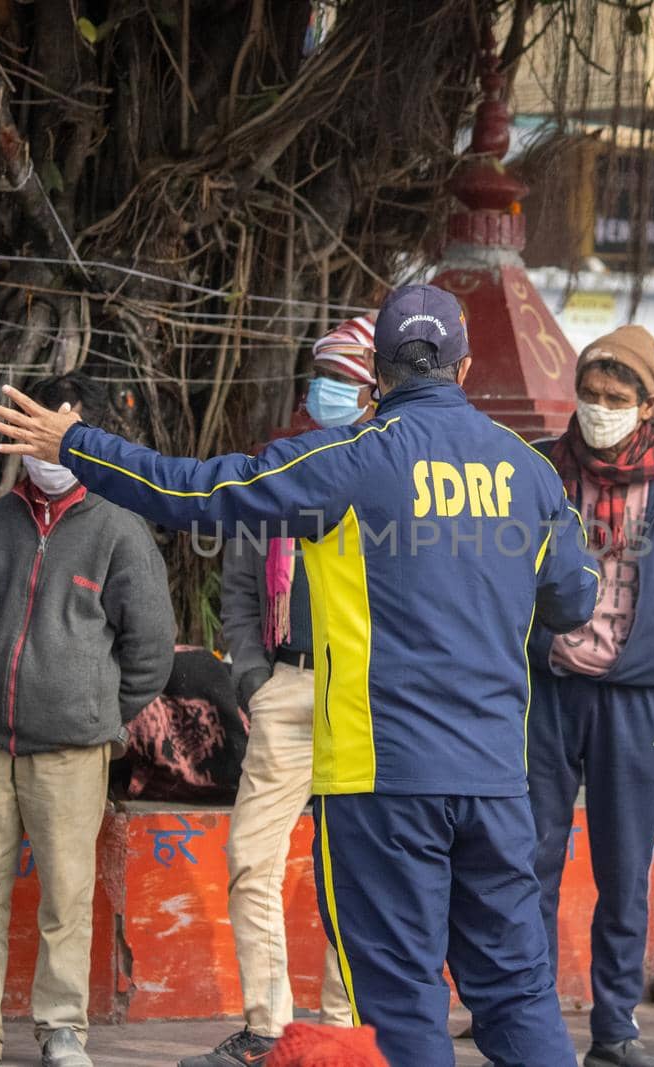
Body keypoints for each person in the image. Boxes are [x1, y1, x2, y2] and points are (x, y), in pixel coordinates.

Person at [0, 283, 599, 1067]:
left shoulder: (351, 459)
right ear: (465, 365)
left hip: (383, 780)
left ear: (376, 373)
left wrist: (76, 445)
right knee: (516, 991)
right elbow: (574, 599)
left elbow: (199, 492)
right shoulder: (531, 472)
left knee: (405, 994)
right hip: (496, 779)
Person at [0, 373, 175, 1067]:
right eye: (37, 432)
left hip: (71, 747)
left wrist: (96, 712)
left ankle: (63, 1028)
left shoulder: (121, 525)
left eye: (63, 434)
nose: (47, 449)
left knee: (65, 893)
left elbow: (150, 648)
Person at [183, 318, 374, 1067]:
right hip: (287, 686)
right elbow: (237, 586)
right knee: (251, 857)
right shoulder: (276, 468)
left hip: (362, 694)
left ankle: (343, 1029)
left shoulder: (381, 468)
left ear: (373, 391)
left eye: (349, 380)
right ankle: (267, 1025)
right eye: (324, 375)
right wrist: (254, 678)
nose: (331, 389)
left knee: (354, 867)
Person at [526, 325, 654, 1067]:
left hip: (634, 701)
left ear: (648, 403)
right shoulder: (540, 468)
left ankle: (615, 1027)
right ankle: (526, 1014)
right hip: (546, 690)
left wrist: (652, 648)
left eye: (616, 397)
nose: (599, 408)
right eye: (591, 394)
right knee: (529, 856)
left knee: (625, 867)